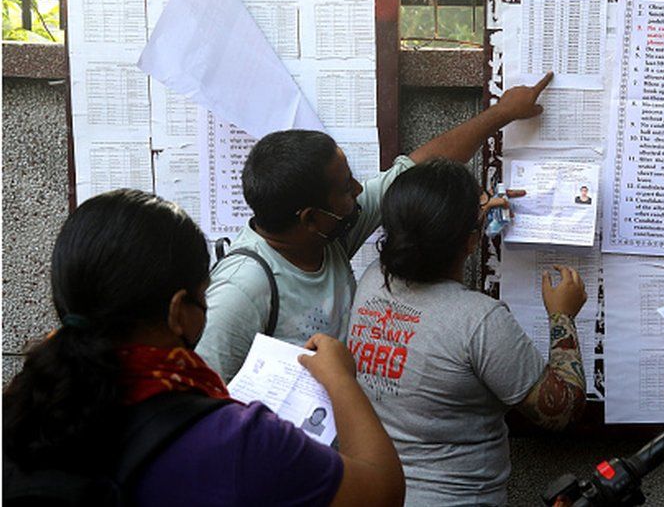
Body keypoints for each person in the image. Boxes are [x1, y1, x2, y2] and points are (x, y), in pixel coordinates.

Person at [3, 189, 404, 506]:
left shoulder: (24, 403)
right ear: (179, 311)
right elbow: (381, 491)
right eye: (204, 294)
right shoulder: (234, 440)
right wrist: (340, 379)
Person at [197, 74, 553, 382]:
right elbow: (200, 403)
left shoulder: (326, 235)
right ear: (309, 218)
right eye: (345, 187)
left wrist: (503, 112)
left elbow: (414, 168)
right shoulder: (241, 290)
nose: (357, 191)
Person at [348, 159, 588, 506]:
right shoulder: (478, 321)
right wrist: (563, 316)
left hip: (381, 490)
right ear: (472, 242)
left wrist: (473, 215)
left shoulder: (374, 277)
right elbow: (561, 411)